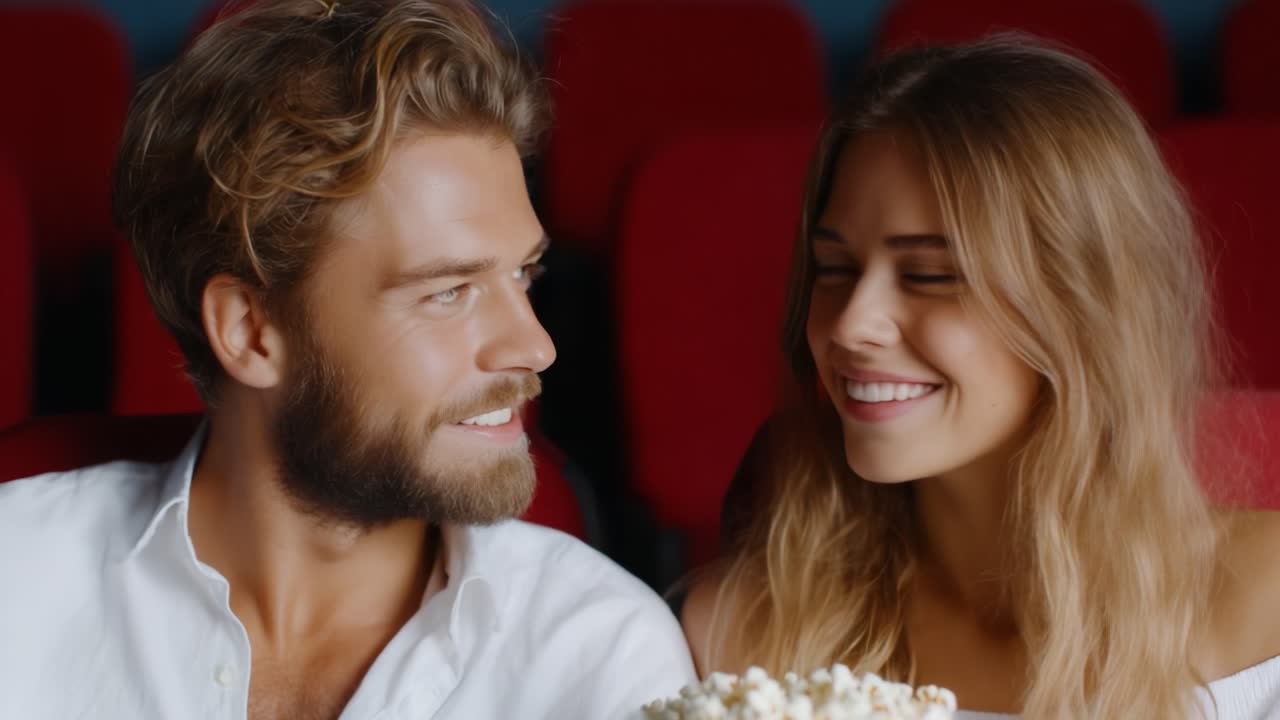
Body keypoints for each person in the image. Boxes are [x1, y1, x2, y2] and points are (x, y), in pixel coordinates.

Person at [0, 1, 695, 717]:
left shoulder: (603, 656)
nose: (534, 347)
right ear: (249, 330)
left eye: (524, 275)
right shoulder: (14, 582)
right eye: (450, 291)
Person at [682, 39, 1280, 718]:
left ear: (1083, 309)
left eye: (931, 275)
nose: (851, 325)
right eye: (835, 269)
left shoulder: (1271, 604)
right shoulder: (740, 632)